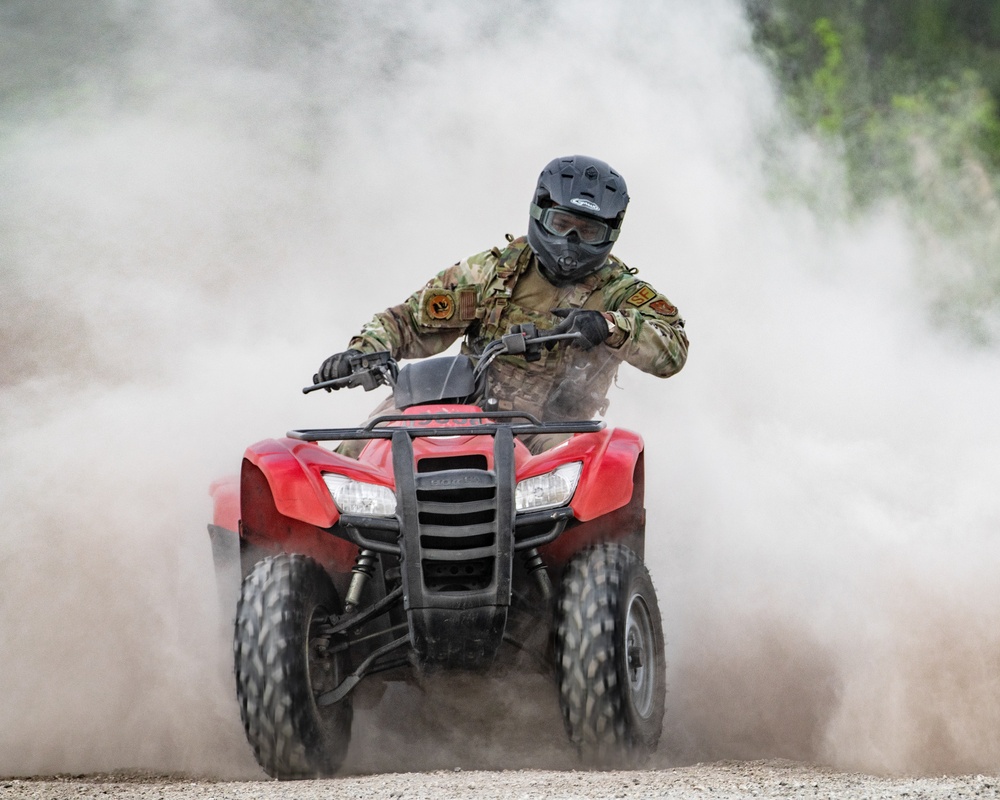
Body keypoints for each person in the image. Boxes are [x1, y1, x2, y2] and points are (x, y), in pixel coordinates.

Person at [314, 154, 688, 454]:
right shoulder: (491, 272)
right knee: (360, 451)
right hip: (457, 408)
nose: (571, 240)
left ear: (611, 232)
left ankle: (590, 553)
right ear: (540, 213)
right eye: (561, 224)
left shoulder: (620, 290)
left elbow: (673, 349)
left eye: (588, 231)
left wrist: (611, 327)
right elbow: (409, 321)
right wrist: (361, 353)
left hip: (549, 429)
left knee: (598, 478)